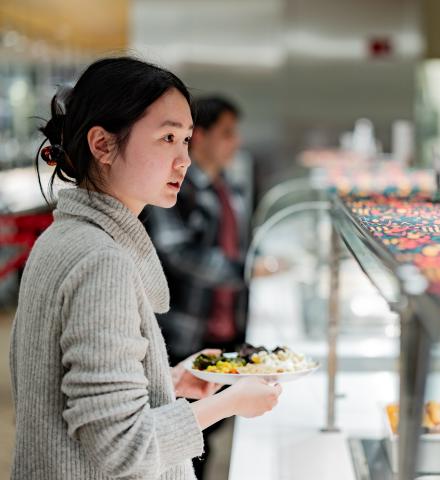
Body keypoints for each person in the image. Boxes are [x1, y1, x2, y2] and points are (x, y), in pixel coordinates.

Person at [9, 57, 282, 480]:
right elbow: (122, 449)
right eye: (167, 137)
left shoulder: (63, 238)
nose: (184, 159)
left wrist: (165, 380)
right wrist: (230, 402)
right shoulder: (101, 261)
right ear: (102, 145)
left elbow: (71, 398)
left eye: (187, 139)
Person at [141, 95, 250, 479]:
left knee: (209, 434)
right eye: (226, 133)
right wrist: (246, 270)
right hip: (185, 330)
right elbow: (178, 252)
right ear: (200, 136)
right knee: (183, 442)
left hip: (224, 327)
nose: (235, 142)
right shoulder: (174, 192)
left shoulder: (230, 188)